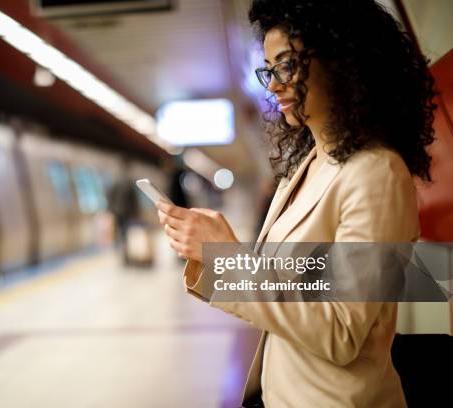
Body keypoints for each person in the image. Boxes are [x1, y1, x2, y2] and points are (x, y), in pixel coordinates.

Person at [155, 0, 436, 406]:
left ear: (343, 62)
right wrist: (212, 256)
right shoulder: (305, 167)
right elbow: (284, 290)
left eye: (288, 65)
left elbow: (340, 331)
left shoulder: (377, 173)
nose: (273, 85)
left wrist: (230, 258)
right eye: (270, 69)